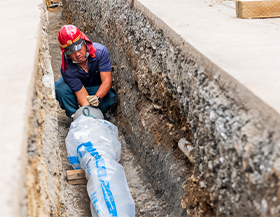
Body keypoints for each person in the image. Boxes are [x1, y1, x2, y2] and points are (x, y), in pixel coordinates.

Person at [55, 25, 115, 118]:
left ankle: (100, 114)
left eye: (78, 47)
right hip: (77, 91)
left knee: (109, 97)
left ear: (84, 42)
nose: (77, 54)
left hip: (96, 88)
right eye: (71, 51)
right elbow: (81, 94)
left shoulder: (100, 52)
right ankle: (75, 116)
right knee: (60, 87)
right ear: (66, 54)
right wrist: (87, 115)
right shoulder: (66, 68)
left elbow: (107, 80)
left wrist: (97, 98)